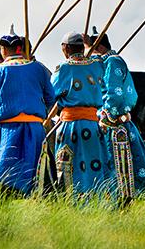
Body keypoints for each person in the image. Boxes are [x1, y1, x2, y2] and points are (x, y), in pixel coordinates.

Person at [0, 27, 55, 198]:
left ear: (3, 50)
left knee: (4, 171)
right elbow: (51, 97)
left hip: (8, 131)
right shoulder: (38, 68)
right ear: (19, 48)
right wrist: (41, 112)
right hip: (35, 128)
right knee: (32, 168)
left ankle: (5, 199)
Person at [91, 29, 145, 203]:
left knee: (121, 166)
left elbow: (116, 95)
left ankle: (123, 201)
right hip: (112, 123)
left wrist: (106, 117)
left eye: (91, 50)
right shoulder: (105, 62)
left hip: (114, 124)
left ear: (99, 47)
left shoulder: (113, 62)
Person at [51, 31, 108, 196]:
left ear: (66, 48)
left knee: (68, 167)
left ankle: (72, 201)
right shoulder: (97, 66)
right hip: (93, 126)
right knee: (94, 165)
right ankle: (97, 200)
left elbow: (51, 94)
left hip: (71, 126)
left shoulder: (64, 68)